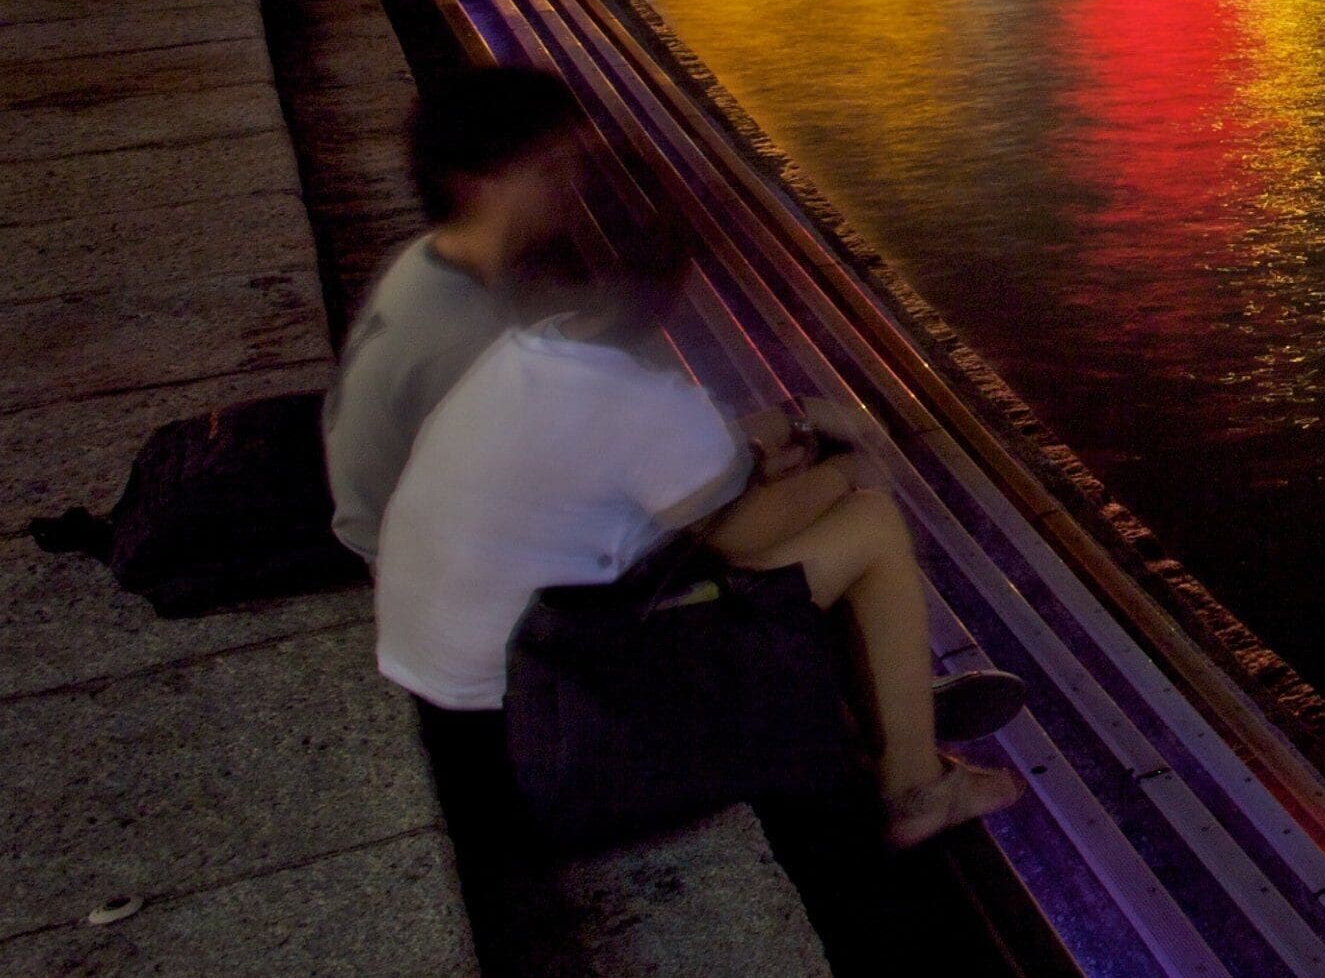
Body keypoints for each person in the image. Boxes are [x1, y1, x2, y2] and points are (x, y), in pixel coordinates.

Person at [374, 219, 1028, 850]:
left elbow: (662, 472)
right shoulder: (638, 398)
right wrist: (846, 471)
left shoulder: (524, 354)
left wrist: (782, 431)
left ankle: (879, 701)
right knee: (870, 524)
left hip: (458, 687)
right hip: (554, 723)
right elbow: (743, 538)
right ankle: (914, 788)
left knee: (779, 531)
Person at [323, 66, 584, 561]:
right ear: (478, 186)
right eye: (550, 170)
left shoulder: (427, 260)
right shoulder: (463, 339)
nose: (573, 184)